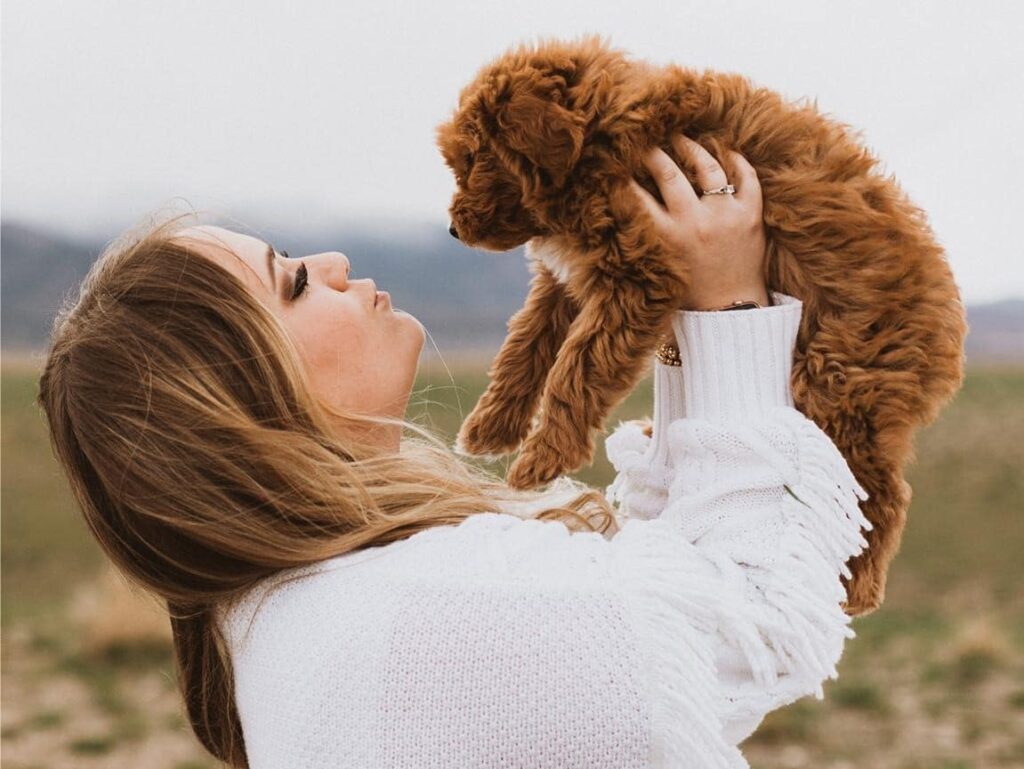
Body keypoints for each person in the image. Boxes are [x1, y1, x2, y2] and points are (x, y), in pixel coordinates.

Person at [36, 133, 872, 769]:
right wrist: (724, 301)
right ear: (241, 403)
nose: (329, 261)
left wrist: (678, 317)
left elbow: (659, 605)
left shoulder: (303, 612)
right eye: (290, 281)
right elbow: (753, 621)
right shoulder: (432, 614)